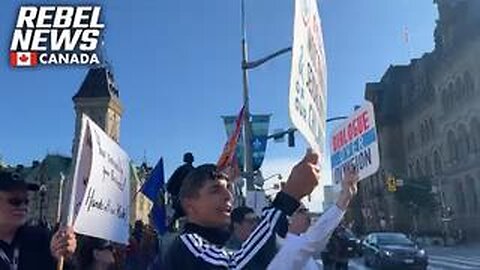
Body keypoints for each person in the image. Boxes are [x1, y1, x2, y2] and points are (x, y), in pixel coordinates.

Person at [162, 149, 320, 269]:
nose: (228, 196)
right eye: (215, 190)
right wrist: (288, 198)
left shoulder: (227, 242)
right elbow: (235, 266)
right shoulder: (187, 244)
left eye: (228, 187)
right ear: (189, 204)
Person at [267, 167, 359, 270]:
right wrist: (345, 196)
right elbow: (321, 229)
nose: (308, 215)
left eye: (306, 210)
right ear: (288, 218)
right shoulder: (287, 247)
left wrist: (345, 196)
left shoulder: (291, 243)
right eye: (302, 211)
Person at [0, 170, 77, 270]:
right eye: (15, 201)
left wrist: (64, 257)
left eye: (26, 201)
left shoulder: (43, 239)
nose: (23, 206)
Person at [276, 204, 318, 270]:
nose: (307, 214)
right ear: (289, 217)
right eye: (301, 211)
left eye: (306, 210)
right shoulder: (279, 243)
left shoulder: (303, 241)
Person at [166, 152, 195, 230]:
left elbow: (170, 182)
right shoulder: (193, 171)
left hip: (183, 195)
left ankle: (170, 226)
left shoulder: (184, 169)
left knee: (178, 213)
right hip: (186, 196)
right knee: (181, 212)